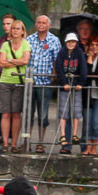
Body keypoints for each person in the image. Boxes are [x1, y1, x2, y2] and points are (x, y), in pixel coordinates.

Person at [26, 15, 61, 152]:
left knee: (43, 114)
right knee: (28, 114)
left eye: (44, 23)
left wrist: (53, 77)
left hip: (45, 82)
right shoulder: (29, 39)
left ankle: (40, 142)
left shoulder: (54, 40)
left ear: (48, 25)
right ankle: (26, 141)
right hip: (30, 82)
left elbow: (56, 61)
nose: (41, 25)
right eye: (39, 22)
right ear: (36, 24)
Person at [0, 19, 29, 154]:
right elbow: (1, 63)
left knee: (16, 114)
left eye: (18, 28)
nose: (15, 30)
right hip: (5, 80)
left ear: (22, 31)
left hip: (19, 81)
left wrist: (10, 60)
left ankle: (14, 143)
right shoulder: (5, 45)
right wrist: (16, 62)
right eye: (13, 28)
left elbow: (25, 60)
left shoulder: (26, 44)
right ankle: (5, 143)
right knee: (5, 113)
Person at [54, 32, 87, 154]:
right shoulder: (62, 52)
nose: (71, 44)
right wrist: (63, 83)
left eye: (73, 42)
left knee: (76, 110)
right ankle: (62, 134)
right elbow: (58, 67)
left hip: (76, 84)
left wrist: (81, 83)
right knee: (63, 111)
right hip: (65, 85)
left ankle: (74, 134)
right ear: (66, 42)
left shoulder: (79, 53)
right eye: (69, 42)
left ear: (76, 43)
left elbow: (83, 68)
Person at [83, 36, 98, 156]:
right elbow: (86, 75)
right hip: (87, 94)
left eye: (97, 45)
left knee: (97, 123)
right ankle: (87, 147)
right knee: (87, 122)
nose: (94, 47)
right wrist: (89, 59)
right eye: (92, 45)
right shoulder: (86, 57)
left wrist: (92, 70)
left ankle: (94, 147)